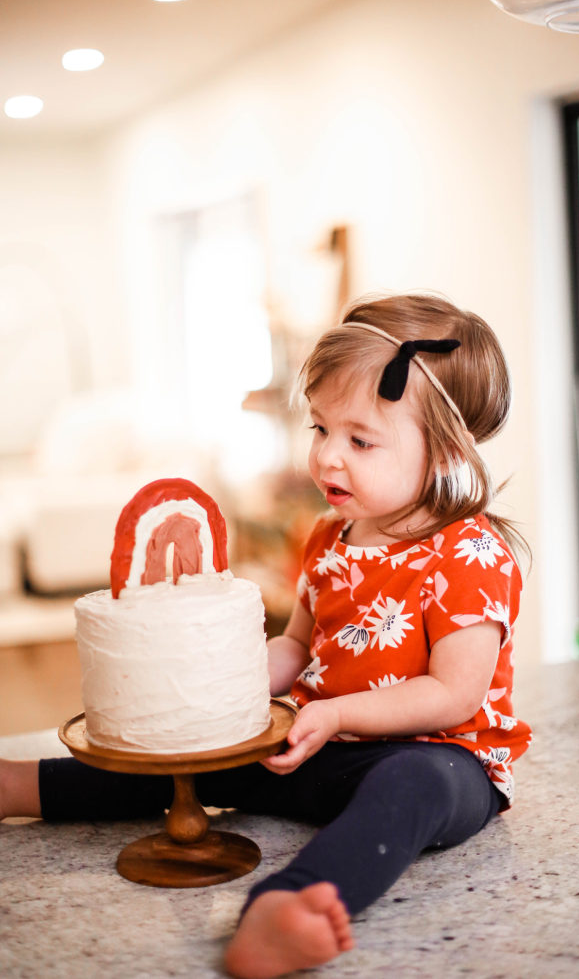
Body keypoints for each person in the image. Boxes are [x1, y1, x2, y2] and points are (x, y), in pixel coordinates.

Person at [0, 292, 532, 978]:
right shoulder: (328, 538)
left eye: (360, 440)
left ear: (446, 451)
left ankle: (290, 904)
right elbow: (298, 647)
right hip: (316, 742)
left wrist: (335, 711)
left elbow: (454, 695)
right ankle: (25, 787)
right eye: (319, 429)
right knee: (195, 755)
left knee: (410, 784)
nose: (328, 459)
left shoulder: (467, 553)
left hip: (442, 757)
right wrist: (217, 679)